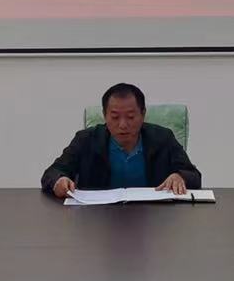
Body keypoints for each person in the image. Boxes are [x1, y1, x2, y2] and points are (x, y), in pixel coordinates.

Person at [41, 82, 201, 198]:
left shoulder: (163, 138)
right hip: (98, 219)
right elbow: (52, 173)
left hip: (153, 218)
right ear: (104, 115)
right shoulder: (86, 139)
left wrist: (180, 177)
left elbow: (194, 176)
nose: (123, 125)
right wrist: (59, 181)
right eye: (115, 117)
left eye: (130, 117)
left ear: (143, 114)